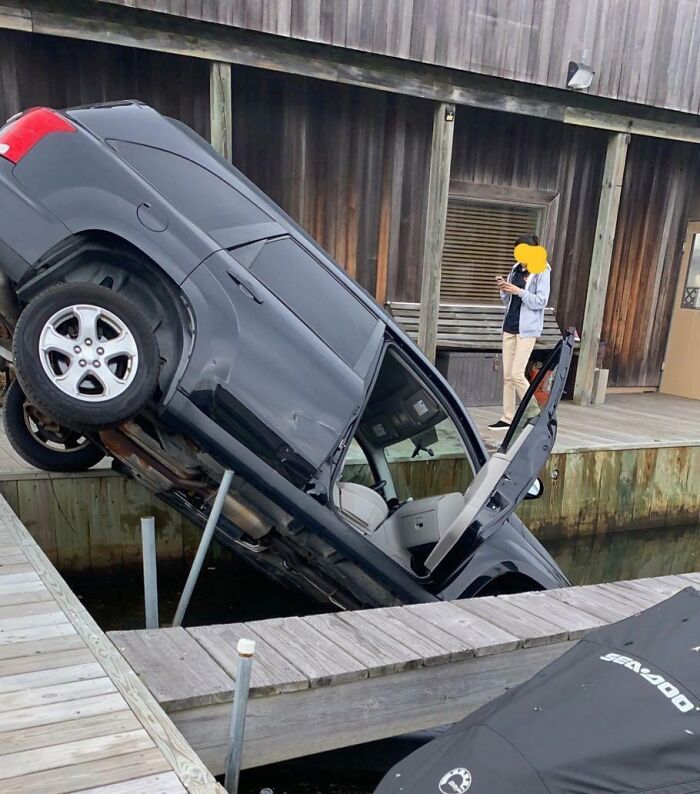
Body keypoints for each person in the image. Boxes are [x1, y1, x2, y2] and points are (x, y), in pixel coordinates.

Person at [488, 234, 551, 430]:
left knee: (517, 374)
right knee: (507, 376)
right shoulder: (515, 269)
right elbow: (508, 301)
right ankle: (507, 418)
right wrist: (504, 289)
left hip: (527, 330)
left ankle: (534, 413)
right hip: (509, 327)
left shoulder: (542, 270)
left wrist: (519, 291)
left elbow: (541, 301)